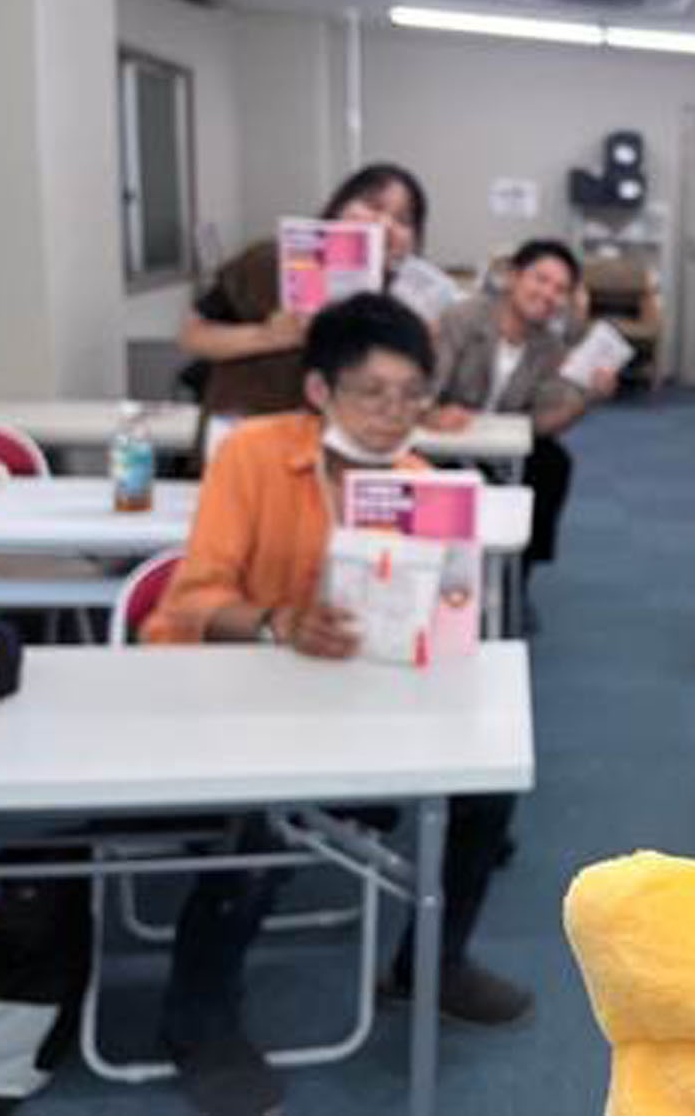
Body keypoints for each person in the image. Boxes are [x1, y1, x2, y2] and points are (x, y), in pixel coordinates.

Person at [144, 294, 528, 1116]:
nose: (394, 414)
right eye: (372, 393)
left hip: (356, 701)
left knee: (487, 788)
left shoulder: (421, 484)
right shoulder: (253, 455)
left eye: (412, 395)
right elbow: (192, 600)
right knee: (260, 815)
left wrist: (450, 605)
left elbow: (439, 629)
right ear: (320, 390)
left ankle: (431, 964)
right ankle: (198, 1016)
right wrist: (278, 622)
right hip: (236, 695)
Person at [423, 239, 618, 615]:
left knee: (552, 463)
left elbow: (542, 425)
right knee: (442, 478)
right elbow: (423, 388)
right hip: (442, 440)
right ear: (514, 277)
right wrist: (431, 414)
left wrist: (590, 398)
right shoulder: (463, 318)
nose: (548, 294)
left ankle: (518, 577)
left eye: (560, 289)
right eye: (540, 279)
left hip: (498, 446)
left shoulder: (550, 347)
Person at [177, 162, 434, 426]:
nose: (384, 223)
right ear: (339, 206)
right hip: (247, 427)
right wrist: (267, 336)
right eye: (373, 205)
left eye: (403, 220)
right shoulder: (266, 262)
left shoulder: (399, 303)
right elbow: (192, 337)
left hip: (339, 436)